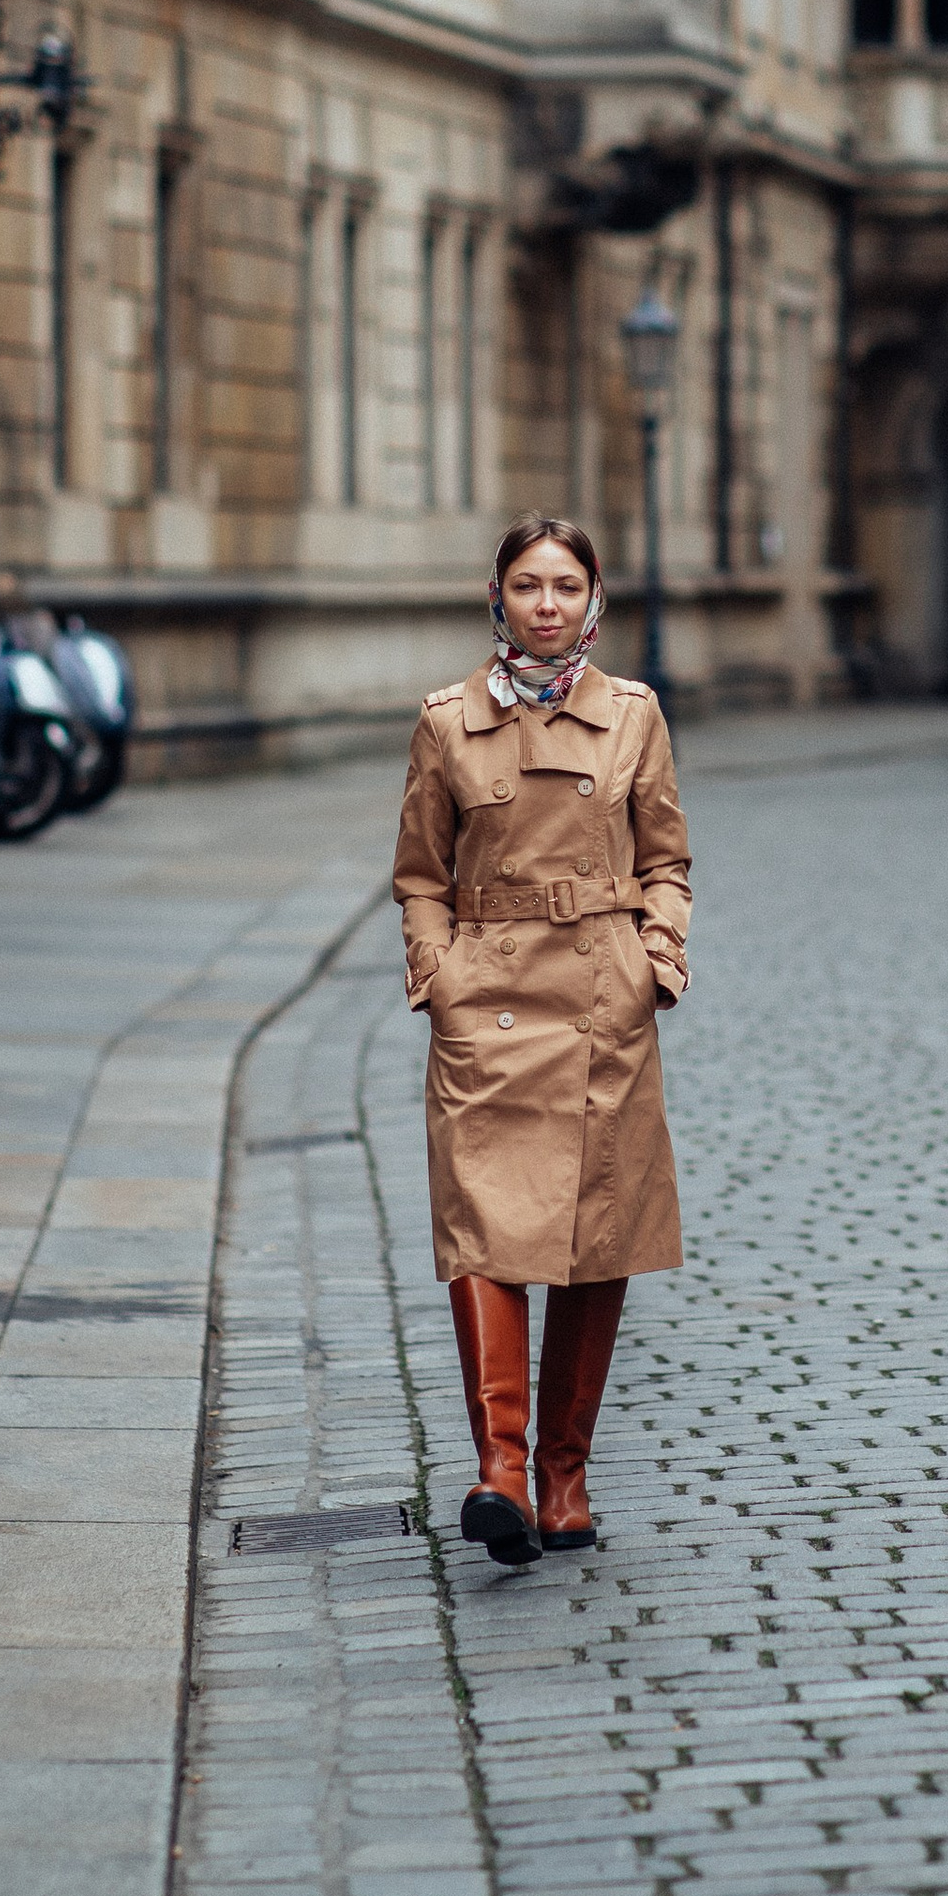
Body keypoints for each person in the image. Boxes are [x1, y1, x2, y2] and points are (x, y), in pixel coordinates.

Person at [392, 514, 692, 1566]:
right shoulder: (445, 723)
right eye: (528, 585)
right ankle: (501, 1475)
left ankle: (566, 1476)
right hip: (487, 1010)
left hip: (602, 1001)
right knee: (484, 1230)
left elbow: (667, 858)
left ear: (593, 600)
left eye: (565, 585)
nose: (547, 604)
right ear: (497, 597)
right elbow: (421, 874)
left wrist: (658, 953)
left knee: (592, 1238)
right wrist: (438, 972)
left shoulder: (635, 717)